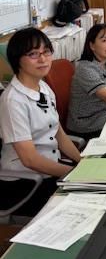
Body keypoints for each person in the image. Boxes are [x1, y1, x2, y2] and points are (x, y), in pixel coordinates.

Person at [0, 28, 81, 216]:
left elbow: (59, 133)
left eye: (46, 52)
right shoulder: (12, 101)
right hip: (25, 183)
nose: (43, 59)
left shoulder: (43, 87)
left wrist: (82, 162)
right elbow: (30, 160)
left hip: (50, 170)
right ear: (17, 60)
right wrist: (73, 172)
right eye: (33, 54)